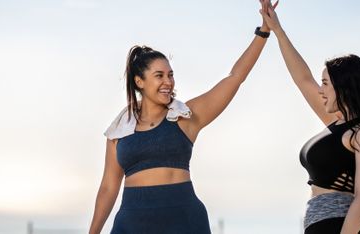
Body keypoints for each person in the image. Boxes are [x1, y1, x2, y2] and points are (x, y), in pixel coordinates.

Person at [89, 2, 272, 233]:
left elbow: (235, 77)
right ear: (139, 81)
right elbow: (108, 187)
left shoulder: (186, 117)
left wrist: (264, 31)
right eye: (159, 76)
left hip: (184, 220)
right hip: (133, 224)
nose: (168, 82)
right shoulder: (119, 130)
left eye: (170, 75)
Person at [259, 1, 360, 233]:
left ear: (343, 87)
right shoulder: (337, 124)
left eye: (325, 83)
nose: (320, 90)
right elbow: (302, 79)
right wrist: (278, 31)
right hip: (320, 225)